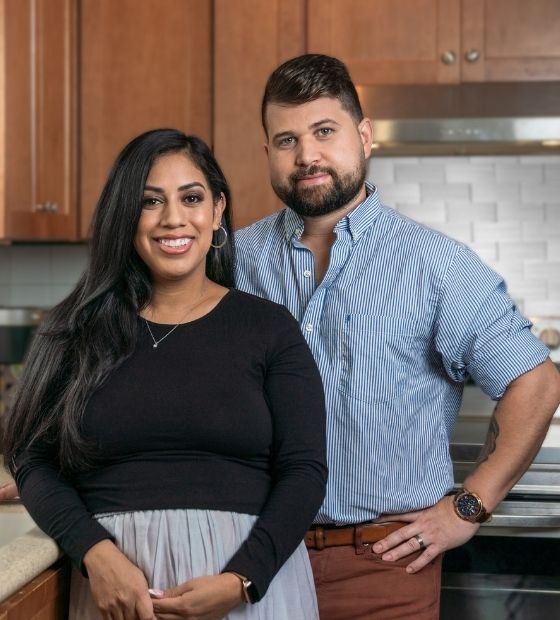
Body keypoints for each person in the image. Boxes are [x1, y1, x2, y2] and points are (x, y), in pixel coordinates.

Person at [234, 54, 560, 619]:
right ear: (268, 154)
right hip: (248, 563)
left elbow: (536, 380)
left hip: (381, 569)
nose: (307, 154)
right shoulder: (233, 261)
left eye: (324, 131)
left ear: (364, 137)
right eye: (287, 139)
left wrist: (468, 507)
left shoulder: (437, 265)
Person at [2, 129, 327, 620]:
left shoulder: (268, 327)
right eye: (149, 201)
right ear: (125, 217)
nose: (173, 218)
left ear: (217, 211)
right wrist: (95, 554)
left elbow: (305, 471)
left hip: (245, 593)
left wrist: (242, 580)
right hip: (118, 595)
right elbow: (32, 461)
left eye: (191, 198)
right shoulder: (77, 329)